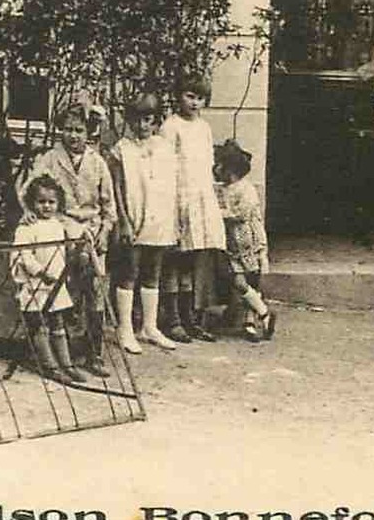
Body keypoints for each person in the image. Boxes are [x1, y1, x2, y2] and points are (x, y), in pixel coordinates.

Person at [22, 107, 117, 377]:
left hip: (93, 232)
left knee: (96, 293)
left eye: (79, 130)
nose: (73, 135)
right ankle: (66, 354)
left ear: (89, 133)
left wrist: (105, 230)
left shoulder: (97, 162)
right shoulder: (50, 159)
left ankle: (94, 354)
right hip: (61, 230)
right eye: (68, 129)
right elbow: (27, 188)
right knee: (65, 292)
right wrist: (29, 210)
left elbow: (109, 206)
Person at [108, 95, 179, 353]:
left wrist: (172, 219)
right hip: (134, 216)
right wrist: (123, 220)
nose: (142, 126)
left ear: (155, 121)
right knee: (130, 271)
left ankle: (149, 327)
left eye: (147, 120)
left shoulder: (164, 147)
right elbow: (116, 188)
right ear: (129, 121)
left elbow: (170, 184)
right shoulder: (120, 149)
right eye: (136, 120)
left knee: (153, 272)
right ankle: (125, 329)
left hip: (159, 217)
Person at [159, 76, 225, 342]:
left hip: (200, 200)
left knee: (190, 262)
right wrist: (172, 206)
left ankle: (189, 319)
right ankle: (172, 319)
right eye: (189, 96)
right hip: (177, 200)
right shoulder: (170, 127)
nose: (195, 102)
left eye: (199, 98)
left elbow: (206, 166)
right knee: (174, 261)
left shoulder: (204, 128)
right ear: (178, 97)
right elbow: (166, 168)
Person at [11, 175, 91, 384]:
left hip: (56, 282)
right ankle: (50, 366)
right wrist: (39, 272)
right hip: (35, 284)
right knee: (38, 324)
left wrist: (79, 251)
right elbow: (23, 255)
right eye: (41, 202)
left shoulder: (58, 224)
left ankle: (67, 364)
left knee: (58, 323)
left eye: (51, 202)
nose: (46, 206)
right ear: (31, 203)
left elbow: (70, 244)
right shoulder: (26, 227)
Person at [215, 142, 277, 343]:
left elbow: (240, 214)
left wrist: (217, 214)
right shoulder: (225, 188)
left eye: (218, 165)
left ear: (229, 168)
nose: (215, 169)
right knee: (240, 281)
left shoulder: (245, 189)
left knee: (245, 281)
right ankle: (256, 318)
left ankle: (259, 315)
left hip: (248, 241)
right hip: (233, 243)